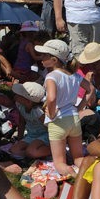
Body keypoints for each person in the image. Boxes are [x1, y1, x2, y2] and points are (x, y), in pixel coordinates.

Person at [35, 39, 91, 176]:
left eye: (44, 55)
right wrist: (79, 108)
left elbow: (52, 98)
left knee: (60, 164)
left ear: (54, 60)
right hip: (74, 119)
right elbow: (90, 89)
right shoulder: (74, 75)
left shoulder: (51, 76)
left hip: (58, 122)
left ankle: (74, 176)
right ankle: (90, 173)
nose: (41, 58)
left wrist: (51, 114)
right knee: (78, 157)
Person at [9, 82, 50, 161]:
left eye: (19, 95)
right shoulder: (20, 105)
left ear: (28, 101)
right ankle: (35, 153)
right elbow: (21, 122)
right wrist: (19, 139)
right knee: (14, 150)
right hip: (31, 135)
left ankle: (55, 150)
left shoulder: (38, 112)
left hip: (44, 136)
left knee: (31, 151)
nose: (15, 95)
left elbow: (50, 128)